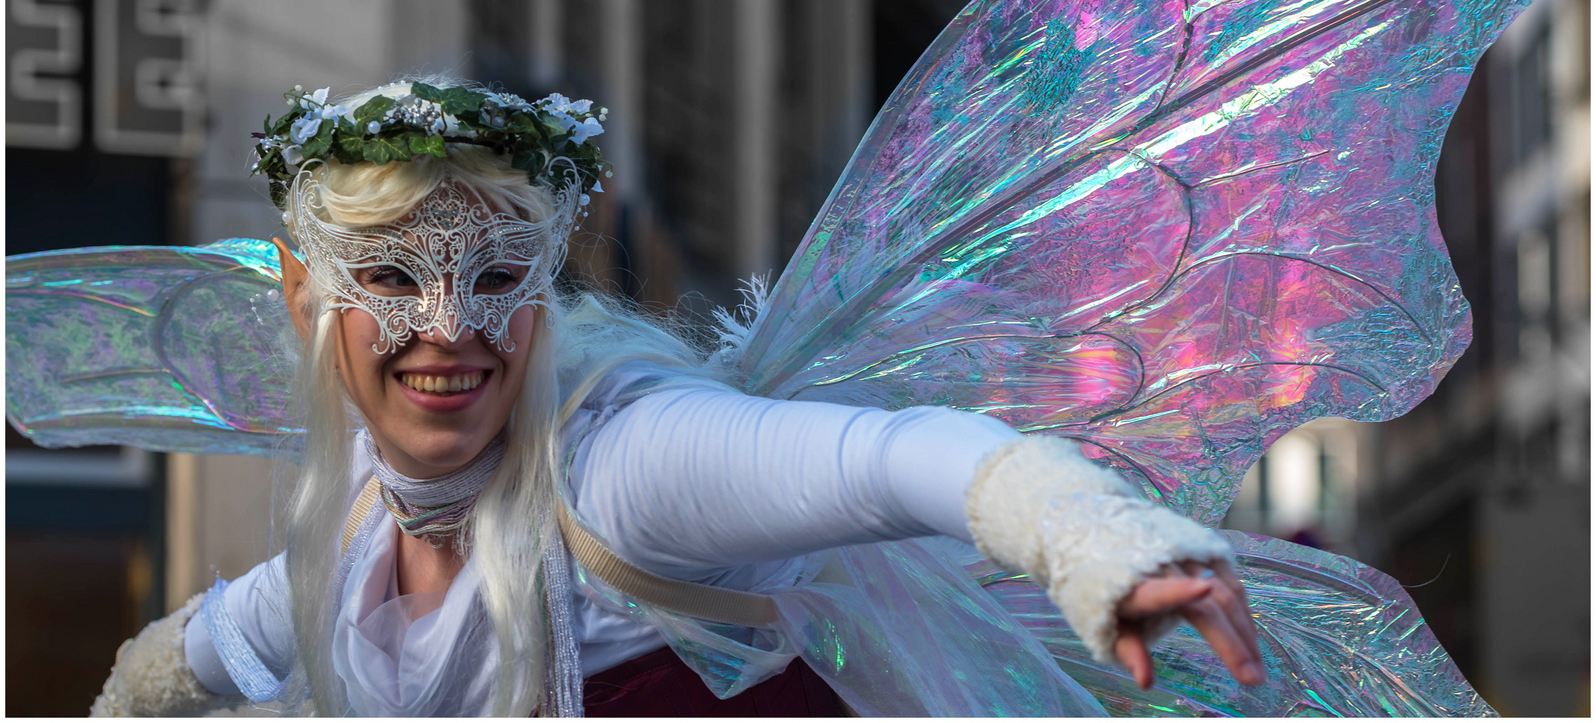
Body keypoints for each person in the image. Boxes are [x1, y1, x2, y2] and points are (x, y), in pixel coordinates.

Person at [89, 79, 1262, 717]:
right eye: (392, 281)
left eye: (497, 280)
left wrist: (1089, 539)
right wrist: (128, 696)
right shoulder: (350, 523)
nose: (448, 332)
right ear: (305, 296)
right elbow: (219, 644)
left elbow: (897, 459)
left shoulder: (625, 468)